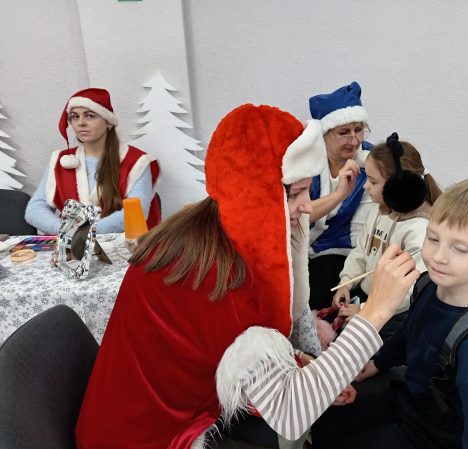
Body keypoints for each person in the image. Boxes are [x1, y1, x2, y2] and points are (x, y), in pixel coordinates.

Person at [75, 103, 420, 449]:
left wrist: (305, 365)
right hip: (146, 438)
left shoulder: (206, 231)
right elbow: (290, 411)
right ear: (256, 197)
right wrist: (375, 313)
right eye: (296, 193)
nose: (306, 205)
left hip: (138, 419)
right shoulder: (220, 281)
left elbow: (225, 346)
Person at [311, 177, 468, 449]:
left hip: (436, 437)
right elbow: (409, 332)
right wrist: (377, 364)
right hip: (411, 403)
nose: (438, 256)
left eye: (460, 249)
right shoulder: (428, 286)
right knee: (325, 421)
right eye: (433, 238)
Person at [333, 132, 442, 337]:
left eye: (373, 181)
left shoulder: (421, 231)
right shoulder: (379, 209)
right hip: (370, 300)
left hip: (394, 314)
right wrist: (346, 282)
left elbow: (409, 292)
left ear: (399, 186)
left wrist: (366, 310)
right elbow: (362, 250)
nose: (365, 186)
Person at [25, 88, 160, 235]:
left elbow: (136, 212)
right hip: (72, 244)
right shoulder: (60, 160)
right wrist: (67, 230)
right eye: (75, 117)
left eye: (89, 116)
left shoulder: (136, 162)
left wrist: (87, 232)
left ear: (108, 122)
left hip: (121, 245)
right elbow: (34, 209)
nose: (81, 123)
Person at [308, 81, 375, 309]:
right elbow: (294, 217)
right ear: (324, 133)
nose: (354, 140)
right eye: (344, 132)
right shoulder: (306, 164)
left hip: (348, 254)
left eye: (359, 130)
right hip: (301, 251)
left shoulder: (371, 162)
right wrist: (339, 195)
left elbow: (365, 233)